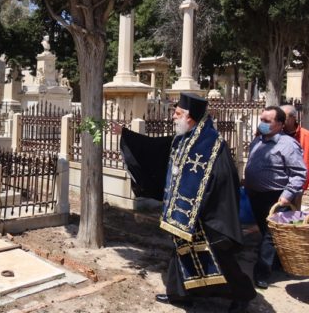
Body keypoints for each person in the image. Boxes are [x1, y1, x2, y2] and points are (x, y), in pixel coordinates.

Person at [116, 93, 256, 313]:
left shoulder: (212, 144)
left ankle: (243, 295)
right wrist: (126, 135)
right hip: (185, 214)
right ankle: (180, 295)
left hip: (208, 216)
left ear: (190, 117)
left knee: (219, 259)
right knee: (181, 252)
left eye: (178, 113)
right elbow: (157, 147)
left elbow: (223, 179)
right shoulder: (184, 137)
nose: (173, 116)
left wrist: (201, 208)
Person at [244, 106, 306, 289]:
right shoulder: (258, 140)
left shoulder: (288, 145)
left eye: (267, 121)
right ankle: (278, 262)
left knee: (270, 236)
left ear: (280, 124)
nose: (262, 124)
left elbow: (299, 173)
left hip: (276, 198)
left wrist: (287, 195)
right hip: (256, 195)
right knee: (266, 231)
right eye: (261, 120)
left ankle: (262, 273)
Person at [280, 104, 309, 200]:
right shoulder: (275, 134)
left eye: (284, 117)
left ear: (294, 118)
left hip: (298, 186)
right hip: (277, 185)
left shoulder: (306, 136)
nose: (281, 119)